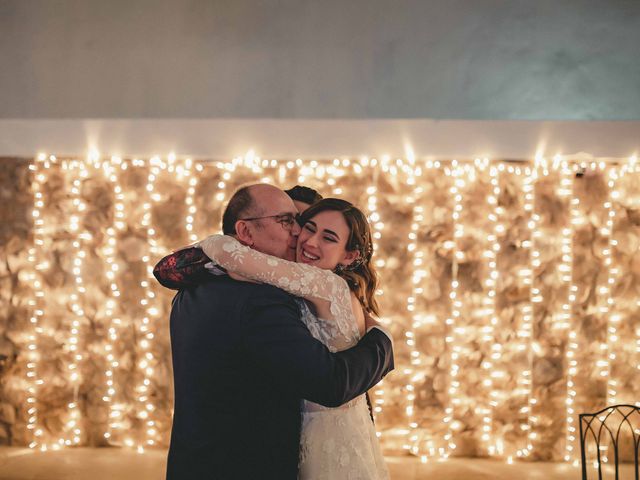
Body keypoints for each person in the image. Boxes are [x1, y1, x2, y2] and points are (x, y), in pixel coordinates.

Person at [155, 184, 394, 480]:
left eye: (300, 223)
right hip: (247, 464)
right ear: (245, 232)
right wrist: (383, 342)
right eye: (288, 222)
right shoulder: (263, 300)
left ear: (349, 254)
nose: (299, 235)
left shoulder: (193, 287)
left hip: (193, 460)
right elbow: (330, 382)